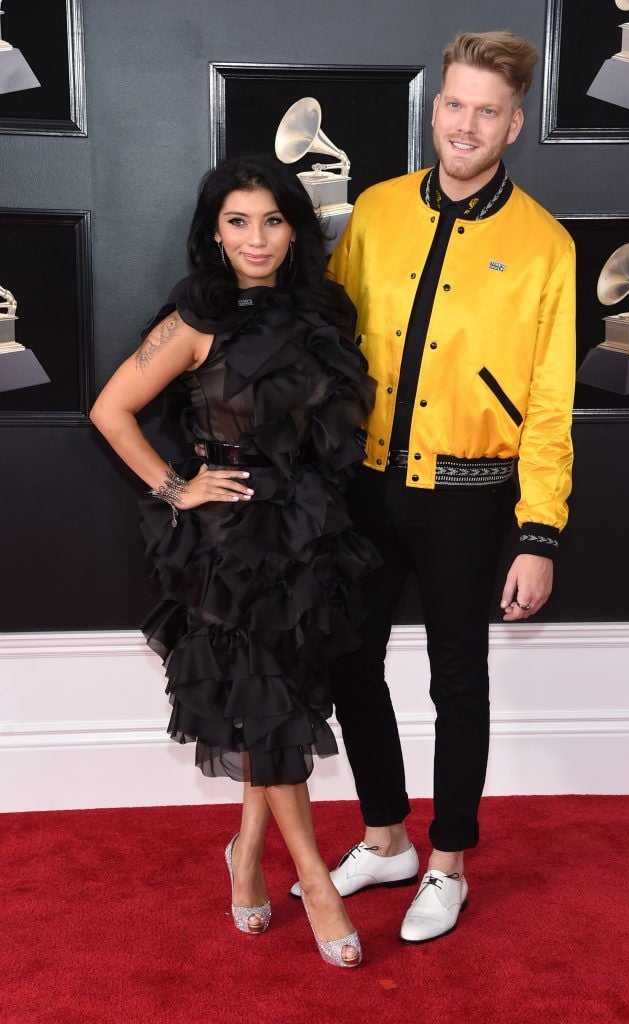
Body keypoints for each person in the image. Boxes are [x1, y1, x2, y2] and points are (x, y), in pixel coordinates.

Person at [290, 30, 576, 944]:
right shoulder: (374, 211)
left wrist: (540, 534)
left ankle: (448, 862)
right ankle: (386, 839)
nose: (465, 123)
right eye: (453, 104)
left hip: (470, 493)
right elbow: (328, 345)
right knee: (347, 662)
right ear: (435, 109)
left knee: (459, 681)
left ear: (514, 125)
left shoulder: (546, 247)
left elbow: (549, 404)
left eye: (486, 110)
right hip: (364, 486)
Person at [90, 154, 380, 968]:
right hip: (229, 545)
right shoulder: (194, 321)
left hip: (311, 530)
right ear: (214, 233)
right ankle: (316, 878)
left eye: (274, 220)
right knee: (270, 704)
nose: (257, 238)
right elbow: (110, 410)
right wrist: (177, 485)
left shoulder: (323, 312)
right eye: (238, 221)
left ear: (296, 228)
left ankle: (246, 855)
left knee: (278, 707)